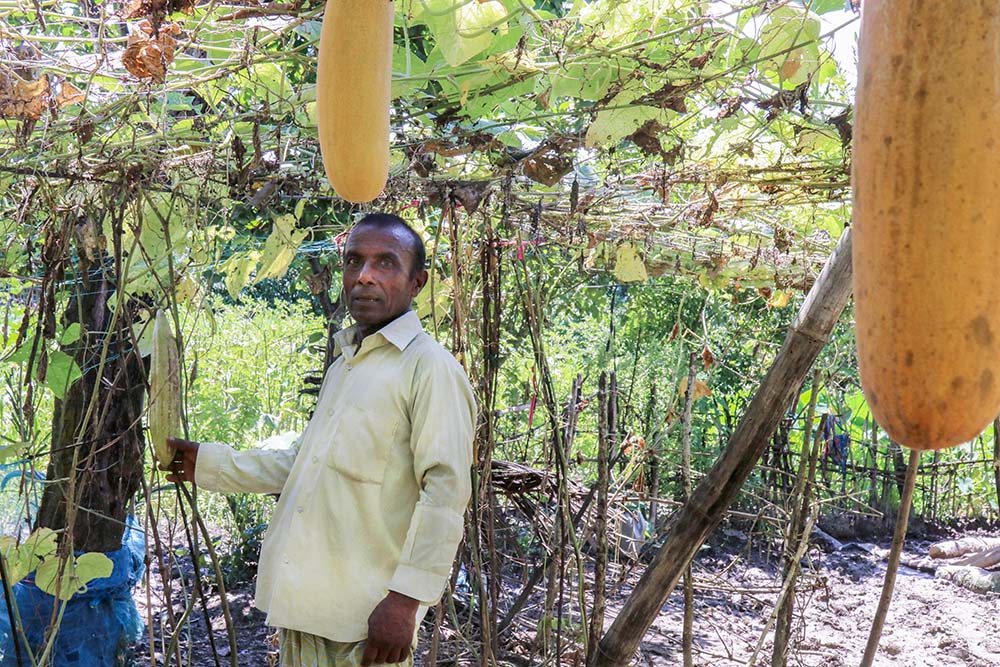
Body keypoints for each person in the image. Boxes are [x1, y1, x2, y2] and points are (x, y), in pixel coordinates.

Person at [166, 213, 476, 667]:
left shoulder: (429, 369)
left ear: (417, 283)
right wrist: (210, 464)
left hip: (364, 620)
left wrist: (406, 601)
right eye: (354, 261)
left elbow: (446, 493)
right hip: (308, 607)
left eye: (385, 263)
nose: (365, 276)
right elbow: (304, 461)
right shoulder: (347, 363)